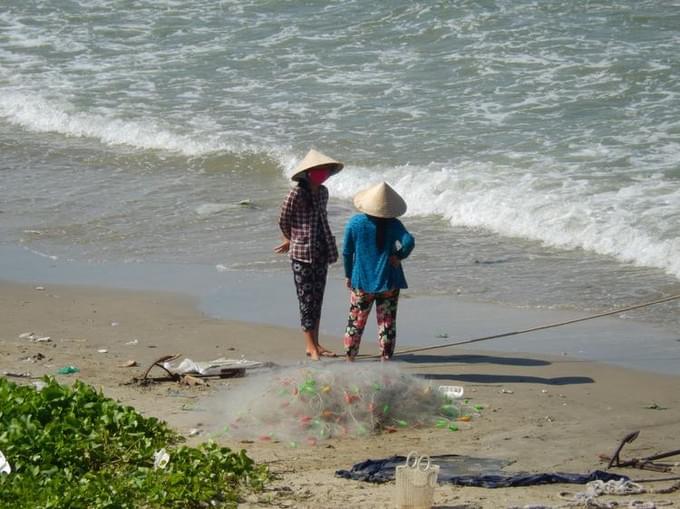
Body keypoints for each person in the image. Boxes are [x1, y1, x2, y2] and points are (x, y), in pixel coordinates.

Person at [274, 149, 343, 360]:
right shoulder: (295, 194)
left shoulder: (323, 192)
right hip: (301, 253)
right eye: (317, 171)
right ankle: (309, 345)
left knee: (318, 298)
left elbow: (322, 219)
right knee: (306, 299)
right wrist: (290, 238)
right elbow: (283, 219)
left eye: (325, 171)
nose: (322, 174)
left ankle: (317, 343)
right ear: (307, 173)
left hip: (322, 250)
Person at [342, 181, 414, 361]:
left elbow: (347, 252)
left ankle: (350, 358)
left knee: (356, 321)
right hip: (388, 280)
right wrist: (398, 256)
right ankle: (385, 359)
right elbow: (409, 241)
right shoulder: (394, 224)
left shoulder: (355, 223)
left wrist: (348, 275)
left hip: (362, 281)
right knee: (386, 322)